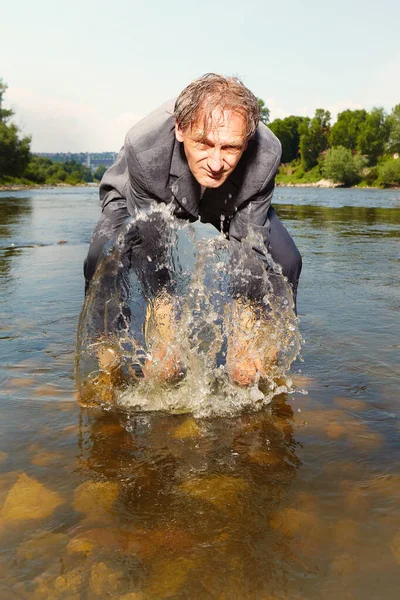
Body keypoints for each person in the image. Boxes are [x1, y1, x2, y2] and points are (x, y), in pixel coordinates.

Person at [83, 73, 302, 388]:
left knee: (287, 260)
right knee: (101, 257)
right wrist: (164, 335)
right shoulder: (144, 144)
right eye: (204, 143)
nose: (215, 161)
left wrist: (243, 340)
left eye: (230, 148)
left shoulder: (266, 153)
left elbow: (249, 248)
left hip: (229, 198)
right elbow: (152, 247)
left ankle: (267, 363)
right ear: (181, 129)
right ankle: (109, 358)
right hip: (143, 193)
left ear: (248, 141)